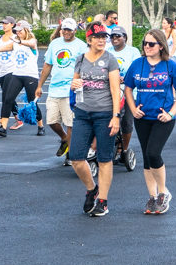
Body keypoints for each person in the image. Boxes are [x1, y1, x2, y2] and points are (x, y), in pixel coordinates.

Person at [124, 28, 176, 213]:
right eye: (145, 43)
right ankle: (152, 197)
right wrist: (133, 108)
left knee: (153, 153)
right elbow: (128, 88)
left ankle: (163, 193)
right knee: (146, 158)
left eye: (151, 44)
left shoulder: (170, 65)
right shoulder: (137, 64)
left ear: (161, 46)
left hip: (163, 118)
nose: (147, 46)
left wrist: (171, 113)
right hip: (143, 117)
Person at [69, 23, 122, 217]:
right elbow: (74, 84)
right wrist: (74, 84)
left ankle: (103, 201)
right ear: (89, 40)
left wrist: (116, 116)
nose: (101, 40)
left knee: (104, 159)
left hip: (105, 114)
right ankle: (92, 189)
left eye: (104, 37)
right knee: (75, 157)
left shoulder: (110, 60)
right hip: (82, 113)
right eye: (97, 37)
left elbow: (116, 90)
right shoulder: (81, 59)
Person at [0, 19, 42, 136]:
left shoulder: (31, 41)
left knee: (31, 102)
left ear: (26, 30)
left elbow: (32, 44)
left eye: (20, 30)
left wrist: (18, 40)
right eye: (17, 31)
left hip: (30, 76)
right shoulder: (14, 43)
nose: (18, 32)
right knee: (8, 98)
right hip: (17, 75)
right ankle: (3, 127)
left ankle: (40, 125)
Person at [38, 18, 87, 161]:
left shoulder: (81, 46)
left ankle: (71, 154)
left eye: (69, 30)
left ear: (75, 31)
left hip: (70, 90)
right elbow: (48, 65)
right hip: (54, 88)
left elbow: (84, 68)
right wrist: (40, 85)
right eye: (64, 29)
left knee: (70, 123)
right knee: (52, 121)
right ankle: (65, 139)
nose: (66, 32)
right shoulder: (55, 44)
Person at [109, 27, 140, 154]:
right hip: (110, 92)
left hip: (128, 92)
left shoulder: (133, 52)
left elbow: (137, 70)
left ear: (125, 38)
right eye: (112, 36)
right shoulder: (107, 51)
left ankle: (124, 148)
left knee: (126, 122)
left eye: (118, 36)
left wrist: (125, 78)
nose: (115, 38)